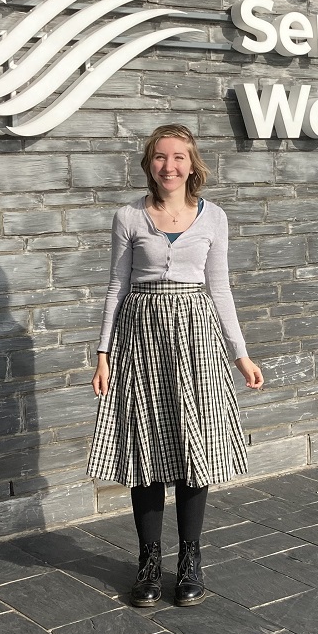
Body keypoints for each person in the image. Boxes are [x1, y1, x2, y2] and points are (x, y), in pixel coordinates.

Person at [91, 124, 263, 607]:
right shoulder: (129, 216)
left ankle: (190, 561)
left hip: (196, 338)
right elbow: (115, 287)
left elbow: (220, 288)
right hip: (140, 337)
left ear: (193, 164)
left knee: (196, 446)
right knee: (145, 448)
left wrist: (240, 353)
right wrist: (103, 354)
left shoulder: (214, 218)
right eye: (160, 157)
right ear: (149, 165)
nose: (170, 166)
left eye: (179, 157)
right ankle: (149, 563)